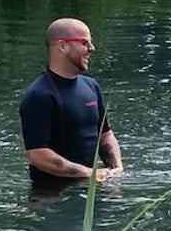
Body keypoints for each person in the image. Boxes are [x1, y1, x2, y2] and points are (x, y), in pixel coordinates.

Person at [20, 18, 124, 183]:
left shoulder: (91, 86)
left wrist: (116, 170)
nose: (91, 49)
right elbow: (37, 155)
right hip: (52, 195)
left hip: (93, 184)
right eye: (84, 42)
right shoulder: (39, 95)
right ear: (62, 46)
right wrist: (88, 173)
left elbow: (105, 135)